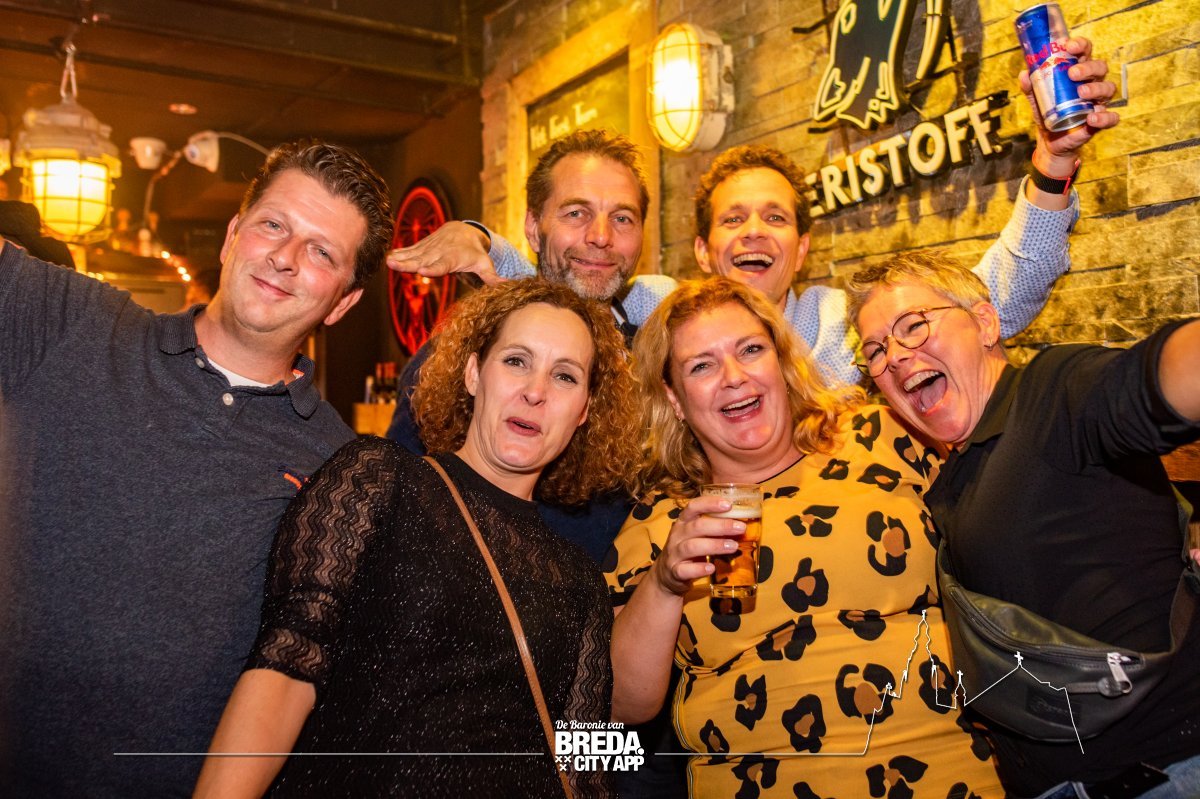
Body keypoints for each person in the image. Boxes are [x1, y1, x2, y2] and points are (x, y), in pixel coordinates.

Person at [0, 140, 392, 797]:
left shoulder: (340, 469)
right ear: (234, 235)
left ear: (342, 304)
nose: (286, 257)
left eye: (322, 252)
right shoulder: (72, 322)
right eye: (273, 224)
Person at [387, 39, 1116, 388]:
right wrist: (484, 242)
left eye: (775, 219)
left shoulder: (844, 324)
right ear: (704, 252)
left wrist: (1052, 166)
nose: (754, 234)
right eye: (733, 221)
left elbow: (993, 301)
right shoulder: (661, 309)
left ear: (802, 247)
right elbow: (573, 287)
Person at [194, 279, 638, 797]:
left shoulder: (580, 580)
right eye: (516, 361)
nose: (535, 391)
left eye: (565, 376)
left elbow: (586, 768)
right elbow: (287, 664)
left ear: (584, 410)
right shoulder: (379, 480)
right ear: (474, 374)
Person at [604, 277, 1003, 798]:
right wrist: (663, 583)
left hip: (948, 770)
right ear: (673, 398)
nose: (734, 377)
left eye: (751, 350)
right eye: (701, 366)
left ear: (781, 361)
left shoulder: (882, 436)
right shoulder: (663, 520)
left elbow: (1003, 527)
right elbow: (622, 707)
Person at [845, 252, 1200, 798]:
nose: (894, 356)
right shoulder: (948, 482)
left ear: (986, 323)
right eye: (875, 350)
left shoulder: (1050, 394)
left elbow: (1157, 381)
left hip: (1165, 771)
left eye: (913, 325)